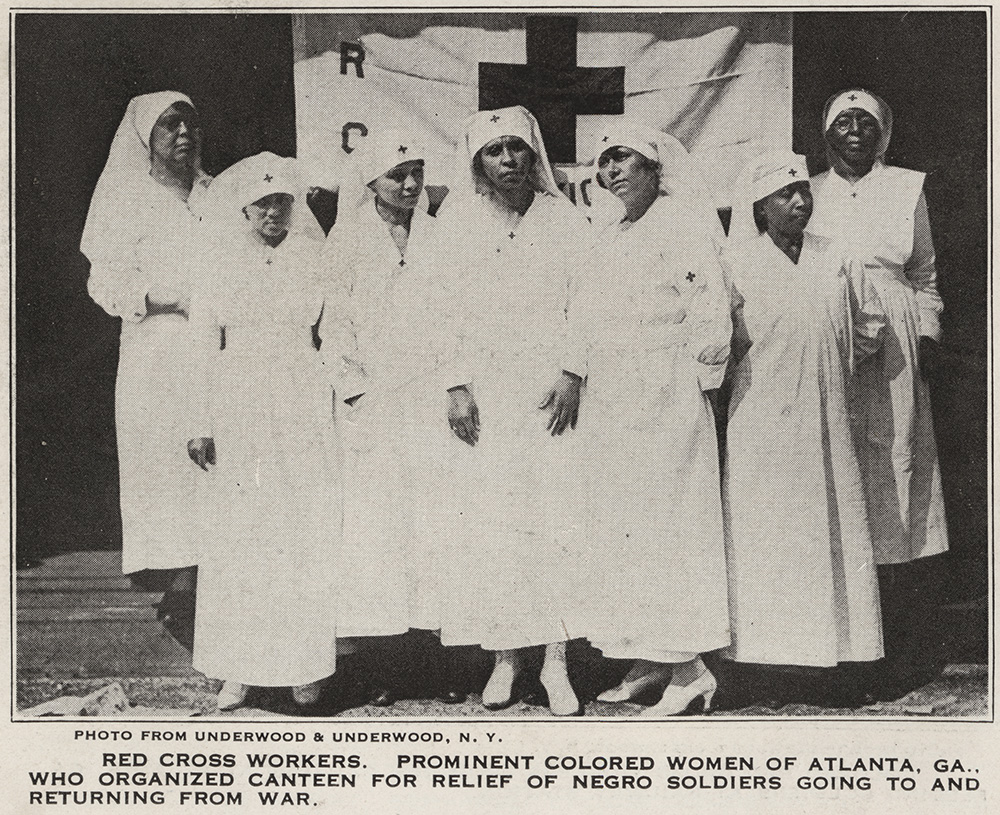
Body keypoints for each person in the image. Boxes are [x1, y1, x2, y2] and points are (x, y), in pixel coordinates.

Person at [566, 122, 732, 717]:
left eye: (625, 159)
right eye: (604, 161)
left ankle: (689, 669)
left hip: (667, 396)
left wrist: (696, 384)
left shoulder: (684, 222)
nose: (611, 171)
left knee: (668, 528)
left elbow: (712, 307)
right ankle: (648, 657)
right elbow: (586, 309)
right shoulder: (606, 230)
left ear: (656, 167)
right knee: (625, 526)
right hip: (614, 400)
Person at [433, 106, 586, 716]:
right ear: (478, 161)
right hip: (487, 398)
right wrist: (455, 385)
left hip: (551, 396)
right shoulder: (456, 221)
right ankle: (505, 659)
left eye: (518, 149)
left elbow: (588, 301)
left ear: (534, 155)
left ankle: (555, 662)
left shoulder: (565, 220)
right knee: (495, 525)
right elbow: (439, 308)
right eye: (495, 151)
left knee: (554, 520)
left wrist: (573, 371)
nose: (509, 161)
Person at [720, 151, 885, 685]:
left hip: (828, 419)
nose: (798, 202)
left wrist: (828, 368)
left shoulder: (836, 254)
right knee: (765, 529)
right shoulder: (735, 260)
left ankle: (834, 659)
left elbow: (869, 324)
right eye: (785, 196)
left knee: (832, 528)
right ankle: (763, 664)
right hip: (760, 419)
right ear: (760, 208)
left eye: (803, 192)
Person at [186, 153, 342, 711]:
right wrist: (199, 422)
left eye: (283, 202)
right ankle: (238, 669)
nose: (274, 213)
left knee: (301, 529)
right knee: (242, 532)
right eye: (263, 204)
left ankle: (304, 665)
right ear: (244, 209)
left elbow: (335, 329)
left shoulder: (314, 257)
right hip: (240, 400)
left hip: (302, 396)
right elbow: (204, 342)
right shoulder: (220, 261)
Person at [809, 89, 949, 690]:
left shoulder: (907, 187)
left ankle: (899, 642)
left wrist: (926, 335)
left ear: (884, 133)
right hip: (830, 333)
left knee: (896, 473)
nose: (855, 131)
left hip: (893, 342)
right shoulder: (806, 192)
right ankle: (845, 641)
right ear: (827, 134)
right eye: (844, 121)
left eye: (867, 122)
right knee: (841, 473)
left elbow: (924, 275)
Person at [323, 130, 465, 706]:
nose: (409, 185)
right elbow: (334, 325)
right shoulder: (347, 240)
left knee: (436, 526)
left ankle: (442, 662)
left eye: (417, 173)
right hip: (374, 405)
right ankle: (386, 666)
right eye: (396, 175)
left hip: (431, 401)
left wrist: (456, 387)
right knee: (380, 534)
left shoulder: (440, 234)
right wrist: (356, 393)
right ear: (371, 182)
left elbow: (458, 315)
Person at [81, 91, 211, 642]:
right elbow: (103, 282)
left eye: (189, 124)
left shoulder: (214, 191)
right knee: (168, 466)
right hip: (157, 351)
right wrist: (164, 299)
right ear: (145, 138)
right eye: (169, 126)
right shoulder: (126, 196)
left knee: (216, 458)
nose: (183, 135)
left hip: (215, 348)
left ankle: (210, 574)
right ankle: (181, 578)